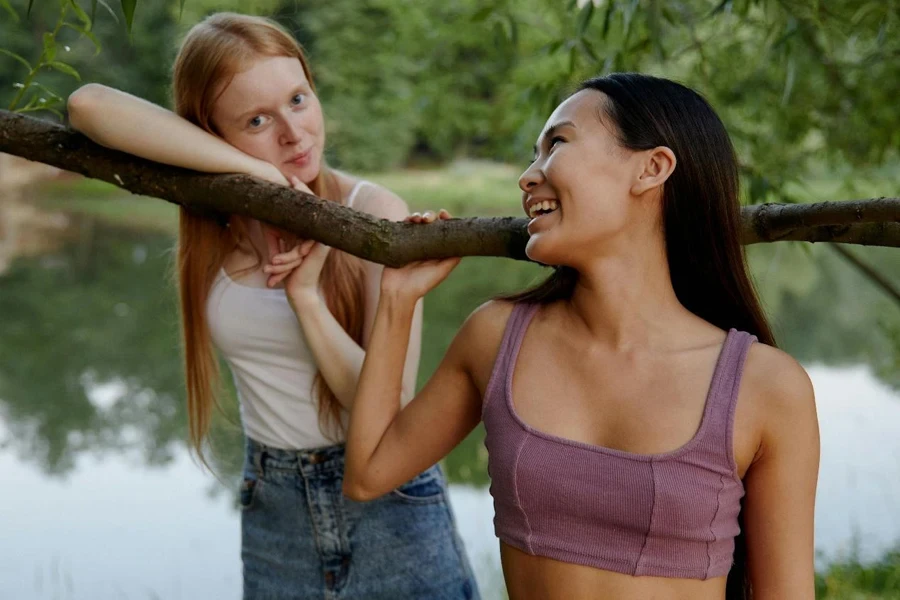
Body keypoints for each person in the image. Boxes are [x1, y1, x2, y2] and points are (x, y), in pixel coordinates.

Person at [343, 73, 820, 600]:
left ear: (652, 168)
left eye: (556, 144)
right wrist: (397, 301)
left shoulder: (765, 386)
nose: (528, 177)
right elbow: (368, 472)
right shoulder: (498, 337)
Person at [67, 13, 479, 600]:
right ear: (214, 133)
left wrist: (306, 299)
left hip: (392, 509)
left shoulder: (374, 214)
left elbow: (385, 410)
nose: (294, 134)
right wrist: (256, 172)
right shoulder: (216, 220)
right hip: (274, 504)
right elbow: (86, 106)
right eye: (257, 120)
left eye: (299, 100)